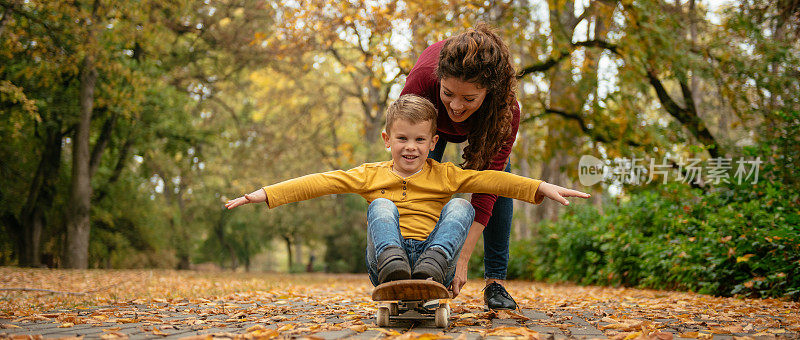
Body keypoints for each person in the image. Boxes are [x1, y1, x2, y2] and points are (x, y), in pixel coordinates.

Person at [225, 95, 590, 290]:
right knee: (381, 204)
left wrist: (540, 186)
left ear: (433, 142)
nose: (410, 147)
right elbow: (320, 181)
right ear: (388, 140)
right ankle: (393, 265)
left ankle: (433, 267)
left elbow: (495, 181)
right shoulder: (369, 175)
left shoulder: (445, 174)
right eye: (402, 138)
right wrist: (265, 194)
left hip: (438, 261)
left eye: (419, 140)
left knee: (463, 206)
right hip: (385, 261)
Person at [400, 23, 529, 309]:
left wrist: (462, 256)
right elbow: (402, 168)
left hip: (481, 126)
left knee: (499, 181)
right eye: (449, 93)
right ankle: (418, 270)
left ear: (489, 92)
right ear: (439, 80)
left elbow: (486, 189)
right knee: (420, 179)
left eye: (468, 98)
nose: (456, 106)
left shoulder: (506, 110)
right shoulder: (421, 82)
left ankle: (496, 282)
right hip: (428, 123)